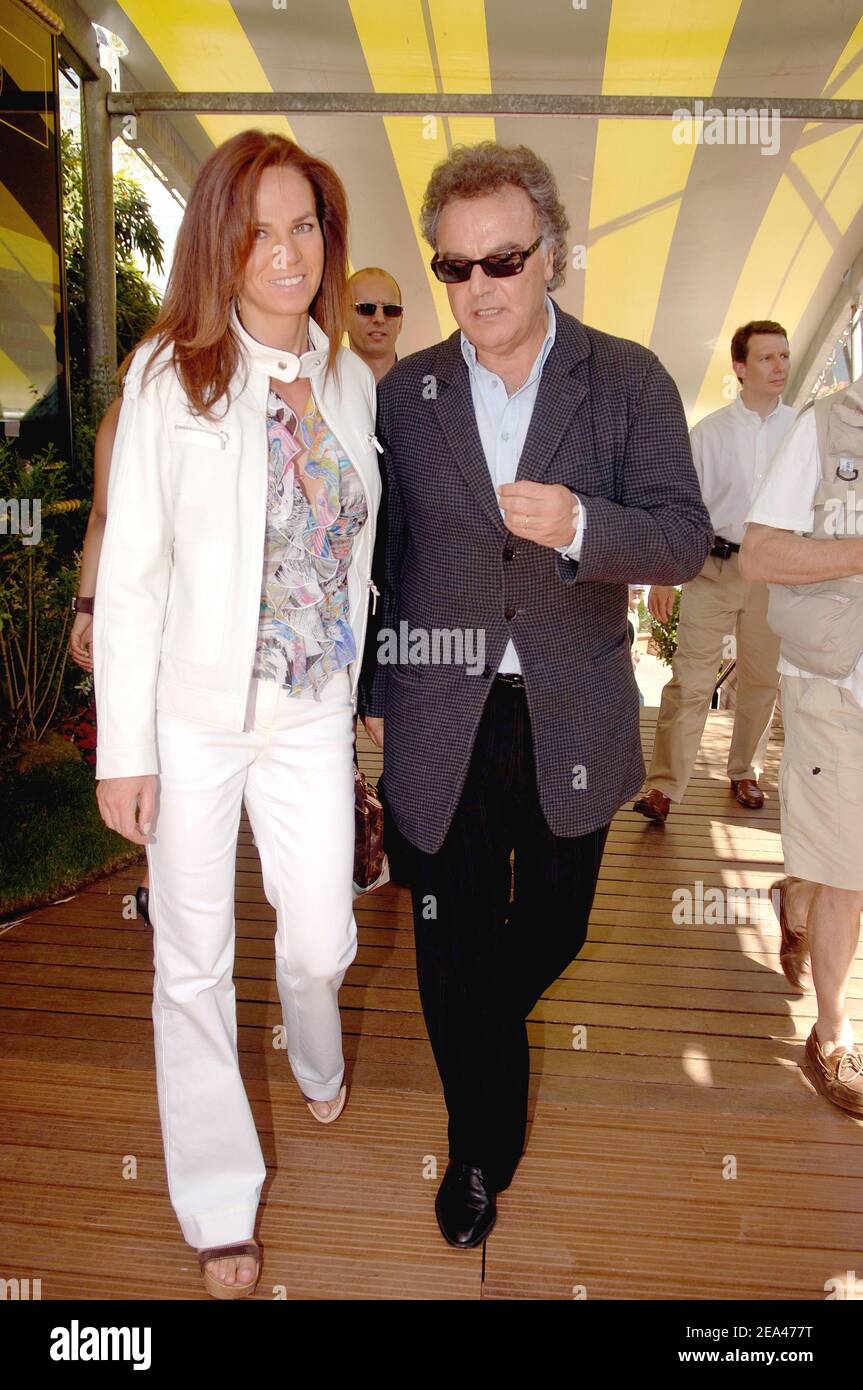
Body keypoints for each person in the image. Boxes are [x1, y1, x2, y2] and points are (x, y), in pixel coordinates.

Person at [359, 141, 712, 1248]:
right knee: (444, 933)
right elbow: (383, 553)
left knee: (549, 928)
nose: (476, 289)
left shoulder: (628, 378)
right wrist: (370, 689)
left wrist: (582, 527)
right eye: (452, 268)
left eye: (500, 261)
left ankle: (479, 1032)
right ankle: (475, 1153)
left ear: (547, 255)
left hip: (567, 711)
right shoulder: (403, 393)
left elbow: (684, 536)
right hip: (436, 715)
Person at [93, 130, 381, 1297]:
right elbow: (133, 574)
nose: (285, 250)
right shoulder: (171, 375)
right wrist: (126, 749)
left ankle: (315, 1050)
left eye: (303, 224)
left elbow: (353, 544)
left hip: (308, 713)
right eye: (258, 228)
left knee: (319, 938)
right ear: (221, 238)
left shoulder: (351, 374)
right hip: (195, 717)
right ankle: (218, 1199)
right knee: (191, 960)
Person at [741, 374, 863, 1117]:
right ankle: (830, 1034)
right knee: (851, 867)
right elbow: (759, 555)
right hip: (833, 684)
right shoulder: (822, 429)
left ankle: (793, 898)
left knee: (834, 863)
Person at [634, 322, 796, 824]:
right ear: (740, 368)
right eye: (768, 358)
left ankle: (744, 770)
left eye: (784, 357)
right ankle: (663, 788)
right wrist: (665, 575)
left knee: (761, 681)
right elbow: (683, 509)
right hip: (713, 568)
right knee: (689, 681)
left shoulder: (803, 430)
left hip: (775, 574)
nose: (780, 367)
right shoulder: (709, 433)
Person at [68, 398, 154, 927]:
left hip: (186, 608)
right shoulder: (123, 415)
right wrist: (87, 607)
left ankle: (160, 875)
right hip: (135, 608)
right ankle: (155, 869)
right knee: (150, 741)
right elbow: (101, 515)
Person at [347, 267, 404, 382]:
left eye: (390, 310)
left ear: (400, 322)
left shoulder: (422, 389)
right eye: (366, 308)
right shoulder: (322, 391)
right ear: (343, 318)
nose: (379, 319)